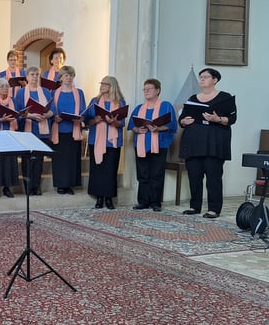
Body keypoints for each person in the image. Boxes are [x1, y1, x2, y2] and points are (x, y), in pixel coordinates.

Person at [178, 68, 236, 219]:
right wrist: (184, 121)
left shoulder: (225, 97)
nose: (202, 79)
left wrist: (218, 119)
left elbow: (232, 119)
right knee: (194, 176)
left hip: (214, 143)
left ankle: (214, 208)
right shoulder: (192, 98)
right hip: (193, 142)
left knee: (213, 177)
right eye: (200, 77)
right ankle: (194, 206)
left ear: (215, 80)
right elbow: (182, 119)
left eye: (206, 77)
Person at [129, 78, 177, 212]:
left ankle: (155, 202)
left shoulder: (166, 105)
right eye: (144, 89)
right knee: (142, 174)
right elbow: (132, 125)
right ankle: (143, 201)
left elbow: (172, 125)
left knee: (157, 174)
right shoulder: (139, 108)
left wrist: (159, 128)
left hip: (159, 144)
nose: (146, 91)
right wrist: (137, 130)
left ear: (157, 90)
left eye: (149, 88)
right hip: (141, 144)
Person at [84, 75, 126, 209]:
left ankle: (109, 198)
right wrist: (95, 121)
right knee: (97, 169)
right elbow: (86, 121)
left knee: (110, 170)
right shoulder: (94, 101)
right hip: (96, 139)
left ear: (112, 86)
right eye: (101, 83)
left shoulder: (120, 102)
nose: (101, 85)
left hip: (112, 141)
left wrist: (113, 122)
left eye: (105, 83)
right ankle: (99, 198)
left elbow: (122, 124)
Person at [14, 66, 54, 195]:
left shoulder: (46, 92)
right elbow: (18, 113)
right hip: (27, 130)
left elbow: (52, 110)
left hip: (42, 130)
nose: (35, 77)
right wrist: (30, 115)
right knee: (27, 160)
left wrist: (45, 115)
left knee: (39, 161)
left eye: (37, 74)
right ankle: (28, 187)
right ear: (27, 77)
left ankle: (36, 187)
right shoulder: (20, 93)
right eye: (32, 74)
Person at [50, 65, 86, 195]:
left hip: (74, 129)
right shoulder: (54, 93)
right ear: (60, 77)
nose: (69, 78)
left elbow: (83, 109)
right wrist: (55, 117)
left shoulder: (79, 92)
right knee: (59, 159)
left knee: (72, 158)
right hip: (59, 130)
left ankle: (70, 184)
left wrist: (81, 117)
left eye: (71, 75)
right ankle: (60, 185)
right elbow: (51, 109)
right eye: (66, 75)